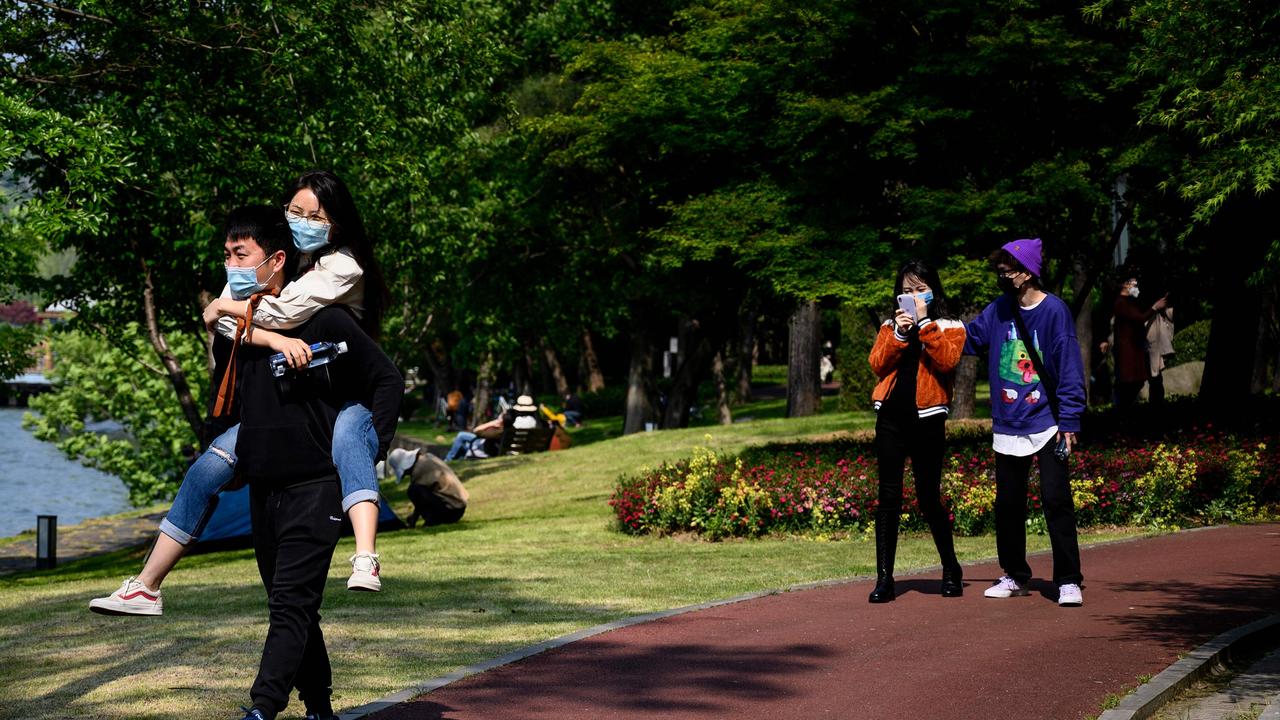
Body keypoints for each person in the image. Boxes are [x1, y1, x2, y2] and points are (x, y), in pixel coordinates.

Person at [89, 171, 391, 617]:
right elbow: (234, 328)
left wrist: (228, 307)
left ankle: (366, 556)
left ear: (336, 223)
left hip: (339, 396)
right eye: (294, 211)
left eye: (315, 216)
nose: (302, 221)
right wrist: (257, 329)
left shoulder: (341, 266)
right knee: (205, 471)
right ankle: (146, 587)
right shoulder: (272, 264)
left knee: (348, 443)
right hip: (287, 401)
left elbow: (282, 314)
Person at [201, 206, 401, 720]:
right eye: (226, 255)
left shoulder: (326, 319)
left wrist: (370, 444)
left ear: (277, 259)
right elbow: (228, 400)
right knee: (293, 605)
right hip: (264, 486)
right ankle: (319, 707)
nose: (230, 264)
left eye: (240, 255)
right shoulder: (240, 330)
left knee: (291, 603)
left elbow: (386, 378)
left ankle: (262, 708)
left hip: (317, 483)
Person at [963, 238, 1086, 607]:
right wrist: (933, 329)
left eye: (1007, 270)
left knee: (1056, 499)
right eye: (999, 270)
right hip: (1008, 422)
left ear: (1028, 272)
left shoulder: (1054, 312)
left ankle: (1068, 579)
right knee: (1008, 504)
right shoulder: (999, 309)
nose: (1002, 276)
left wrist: (1071, 420)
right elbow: (969, 339)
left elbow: (1068, 368)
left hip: (1047, 422)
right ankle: (1014, 574)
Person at [866, 260, 967, 602]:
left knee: (927, 497)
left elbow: (948, 361)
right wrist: (899, 333)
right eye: (907, 291)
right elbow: (877, 364)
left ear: (932, 289)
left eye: (920, 289)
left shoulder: (949, 325)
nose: (914, 296)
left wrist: (924, 324)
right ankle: (884, 579)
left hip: (928, 419)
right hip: (891, 419)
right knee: (888, 498)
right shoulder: (891, 325)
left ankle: (951, 568)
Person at [1107, 276, 1169, 409]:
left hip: (1134, 349)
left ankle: (1124, 409)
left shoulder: (1127, 303)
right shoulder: (1121, 303)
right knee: (1130, 383)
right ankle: (1122, 410)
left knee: (1136, 382)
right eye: (1133, 284)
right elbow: (1139, 318)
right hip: (1128, 351)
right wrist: (1154, 307)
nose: (1136, 287)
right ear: (1125, 285)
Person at [381, 448, 469, 527]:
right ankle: (433, 519)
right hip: (459, 507)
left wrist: (414, 519)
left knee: (413, 490)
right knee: (417, 490)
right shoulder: (426, 457)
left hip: (452, 510)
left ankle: (433, 520)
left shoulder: (418, 470)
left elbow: (421, 499)